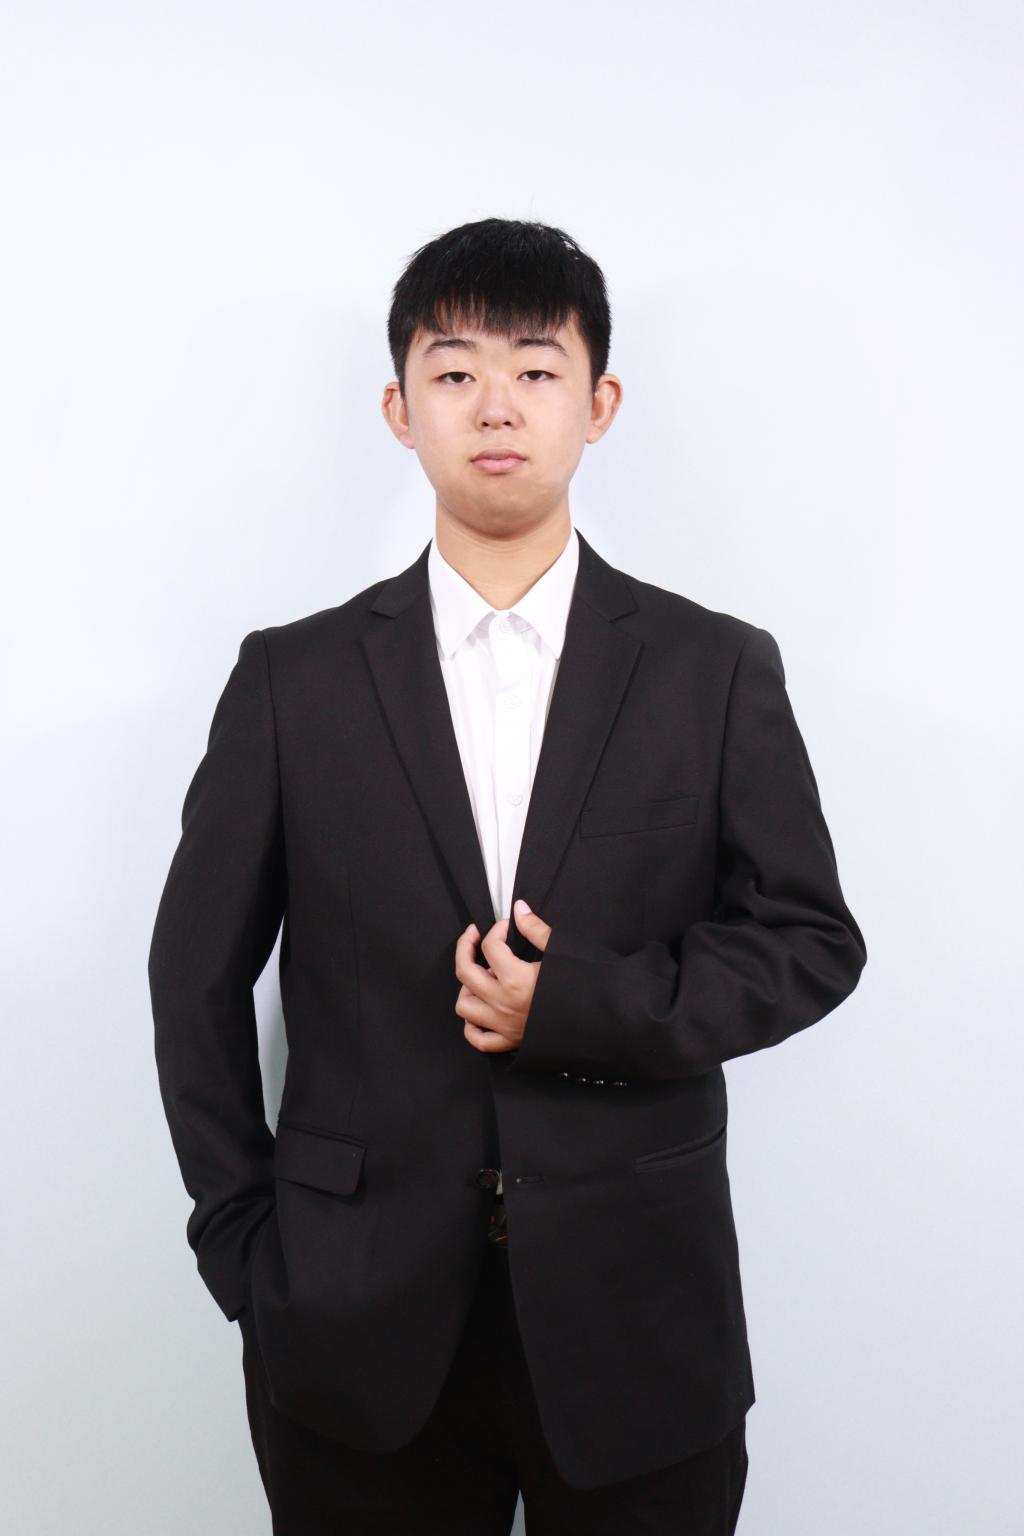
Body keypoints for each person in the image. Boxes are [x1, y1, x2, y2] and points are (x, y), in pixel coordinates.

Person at [149, 217, 867, 1534]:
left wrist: (578, 1005)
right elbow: (192, 979)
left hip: (639, 1318)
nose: (496, 406)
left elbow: (811, 939)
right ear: (398, 408)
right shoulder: (292, 680)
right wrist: (243, 1246)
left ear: (600, 404)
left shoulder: (712, 669)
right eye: (454, 370)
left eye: (536, 370)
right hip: (352, 1322)